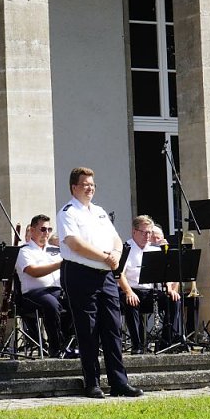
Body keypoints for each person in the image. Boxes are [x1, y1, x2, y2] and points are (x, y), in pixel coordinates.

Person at [58, 166, 142, 398]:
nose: (90, 188)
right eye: (85, 184)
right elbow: (75, 244)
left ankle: (119, 382)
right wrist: (105, 257)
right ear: (74, 187)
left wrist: (115, 254)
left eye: (92, 185)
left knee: (113, 329)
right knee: (88, 330)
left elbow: (116, 239)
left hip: (106, 276)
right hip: (80, 274)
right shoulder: (67, 212)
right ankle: (92, 382)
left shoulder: (100, 212)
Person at [118, 215, 181, 354]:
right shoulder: (125, 249)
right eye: (144, 232)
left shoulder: (154, 250)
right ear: (134, 231)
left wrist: (169, 289)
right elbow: (119, 274)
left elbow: (164, 273)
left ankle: (166, 343)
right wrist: (128, 292)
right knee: (131, 302)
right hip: (131, 290)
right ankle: (137, 345)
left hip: (150, 292)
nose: (147, 236)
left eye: (149, 233)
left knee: (174, 300)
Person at [15, 214, 70, 357]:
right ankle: (55, 347)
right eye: (43, 229)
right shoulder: (24, 250)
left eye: (49, 229)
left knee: (77, 301)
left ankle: (71, 344)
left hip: (57, 290)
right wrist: (60, 264)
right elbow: (33, 271)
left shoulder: (56, 250)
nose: (47, 233)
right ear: (32, 230)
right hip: (33, 294)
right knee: (51, 304)